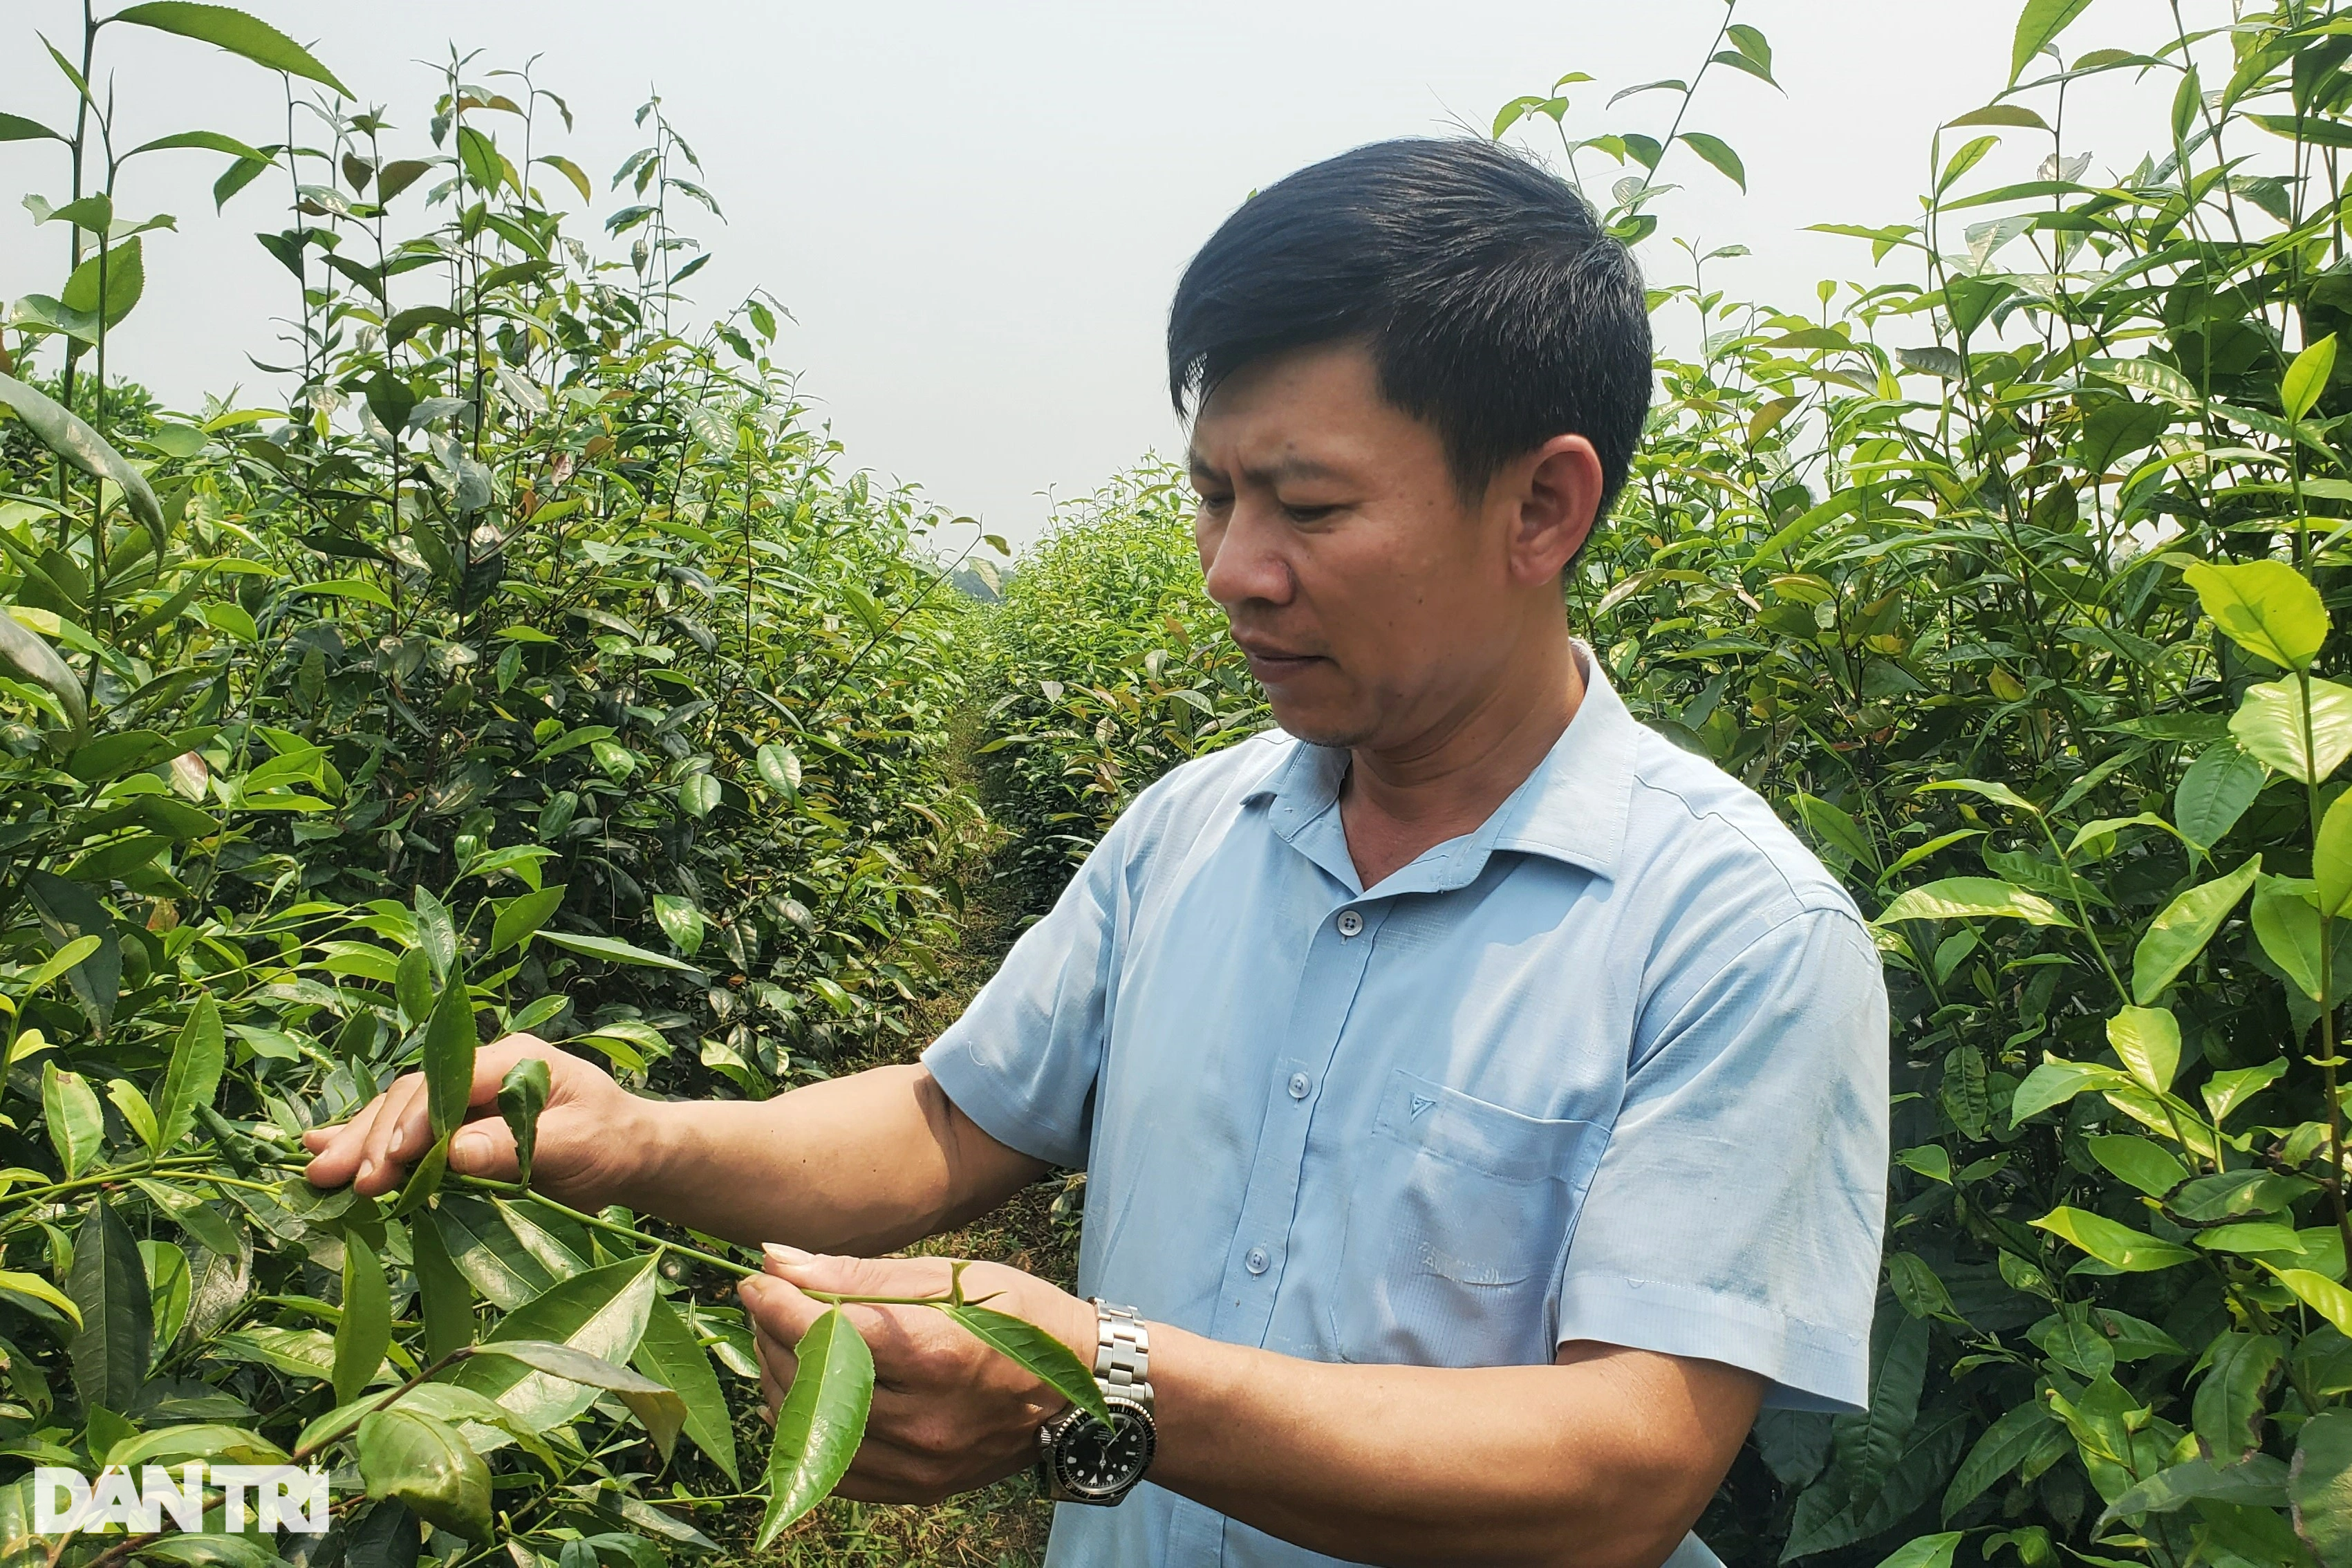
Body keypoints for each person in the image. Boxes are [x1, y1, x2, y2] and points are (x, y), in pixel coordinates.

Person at [306, 136, 1889, 1568]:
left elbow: (1624, 1472)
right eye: (1211, 498)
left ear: (1543, 506)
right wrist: (636, 1141)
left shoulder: (1733, 934)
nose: (1235, 574)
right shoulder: (1194, 829)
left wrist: (1098, 1381)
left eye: (1308, 507)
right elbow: (945, 1121)